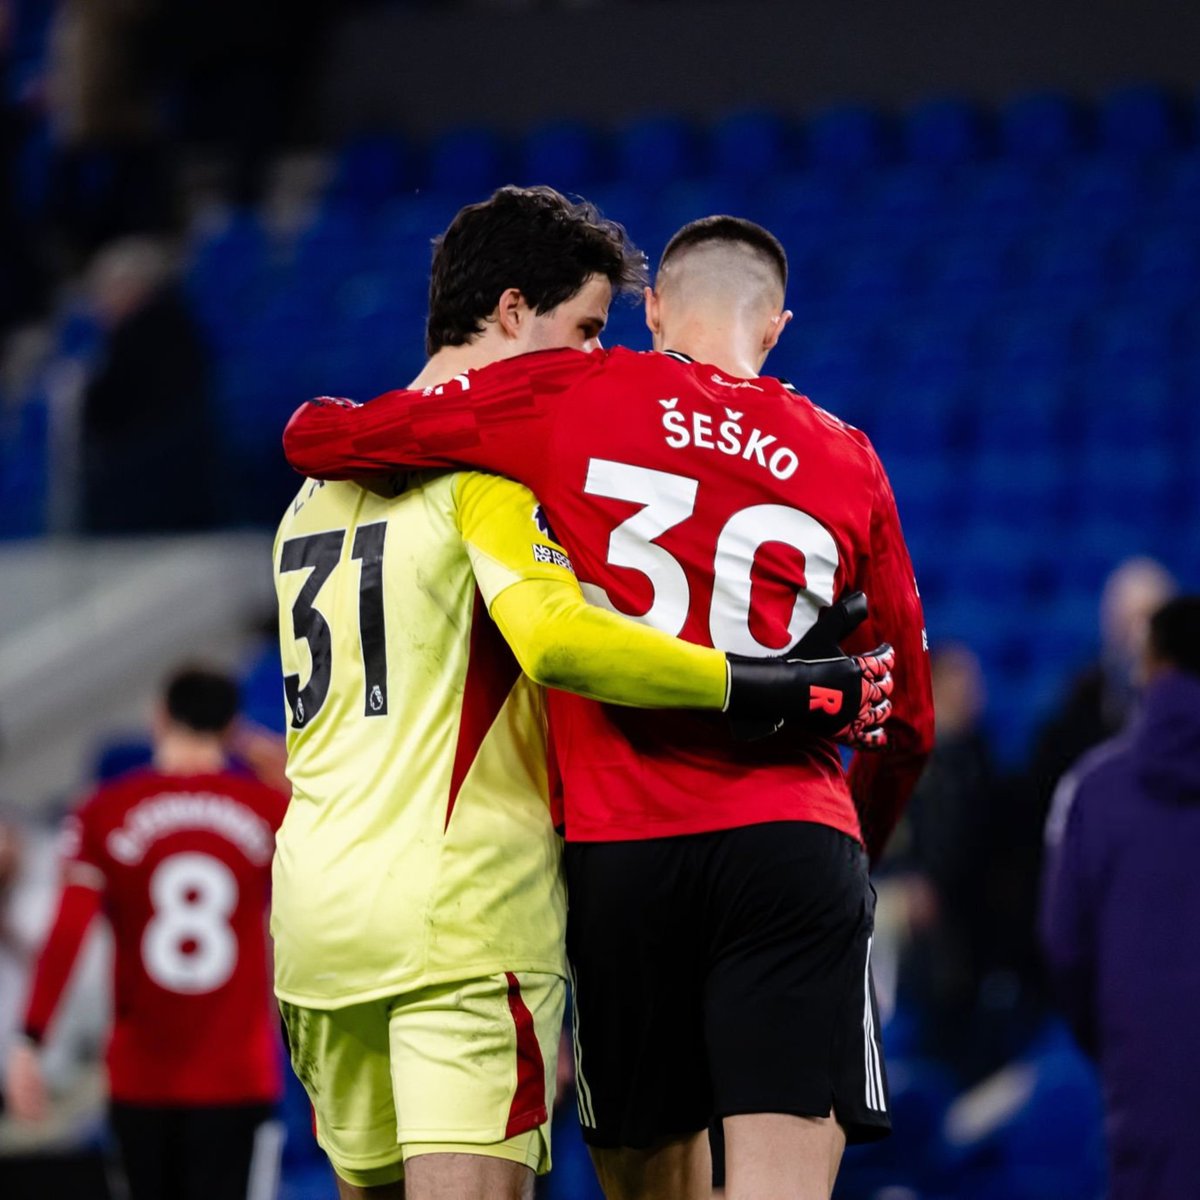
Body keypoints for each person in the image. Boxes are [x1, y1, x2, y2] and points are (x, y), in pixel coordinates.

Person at [282, 214, 935, 1200]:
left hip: (612, 854)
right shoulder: (848, 455)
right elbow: (907, 723)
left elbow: (326, 434)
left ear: (655, 309)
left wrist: (322, 426)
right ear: (778, 325)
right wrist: (855, 853)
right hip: (791, 841)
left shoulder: (579, 392)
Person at [3, 665, 288, 1200]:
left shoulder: (102, 811)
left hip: (141, 1079)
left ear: (158, 718)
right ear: (230, 726)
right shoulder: (270, 810)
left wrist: (30, 1040)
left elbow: (67, 930)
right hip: (238, 1076)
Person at [1040, 595, 1200, 1200]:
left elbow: (1064, 945)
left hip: (1143, 1063)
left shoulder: (1094, 788)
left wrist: (1116, 1031)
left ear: (1154, 665)